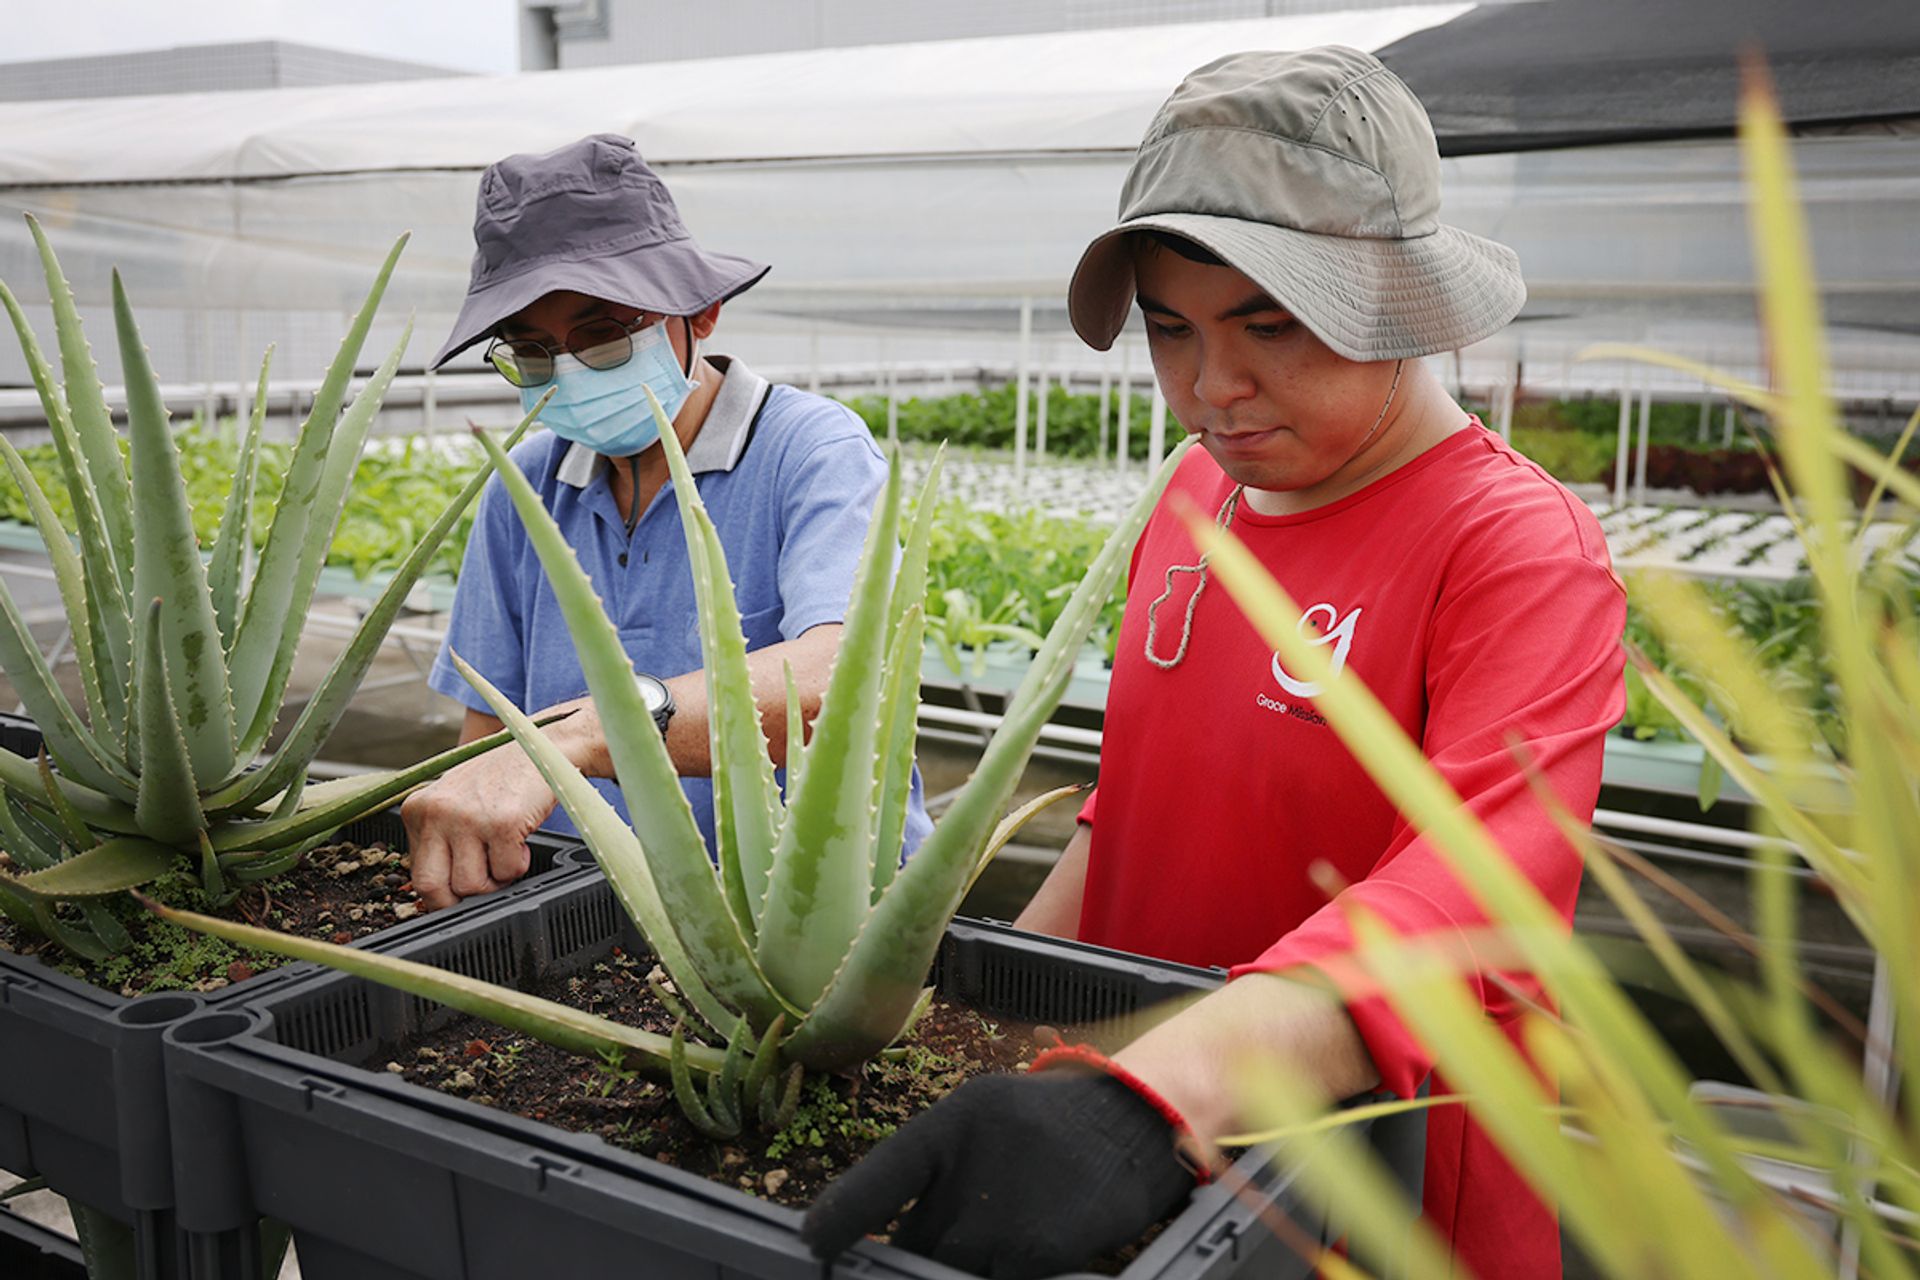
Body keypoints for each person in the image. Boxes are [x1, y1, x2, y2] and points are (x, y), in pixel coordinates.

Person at [802, 47, 1625, 1280]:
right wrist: (986, 1044)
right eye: (1170, 330)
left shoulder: (1512, 549)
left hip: (1363, 1189)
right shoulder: (1198, 492)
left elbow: (1474, 892)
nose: (1211, 387)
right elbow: (1127, 811)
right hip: (1141, 1139)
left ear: (1398, 302)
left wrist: (1155, 1095)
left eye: (1270, 324)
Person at [403, 133, 931, 909]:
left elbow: (838, 684)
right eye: (534, 353)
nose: (571, 373)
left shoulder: (812, 450)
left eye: (604, 335)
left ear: (702, 311)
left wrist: (587, 734)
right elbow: (488, 729)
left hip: (809, 921)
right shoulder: (525, 488)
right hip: (591, 912)